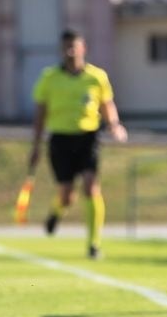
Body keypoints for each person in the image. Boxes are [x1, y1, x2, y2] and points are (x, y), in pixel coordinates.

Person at [29, 29, 128, 260]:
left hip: (88, 138)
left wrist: (114, 125)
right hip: (61, 139)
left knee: (91, 186)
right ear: (62, 49)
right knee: (66, 195)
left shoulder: (96, 77)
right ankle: (56, 212)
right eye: (67, 47)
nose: (71, 51)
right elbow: (40, 114)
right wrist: (34, 147)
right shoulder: (49, 77)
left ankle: (94, 244)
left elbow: (107, 105)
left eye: (75, 46)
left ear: (83, 48)